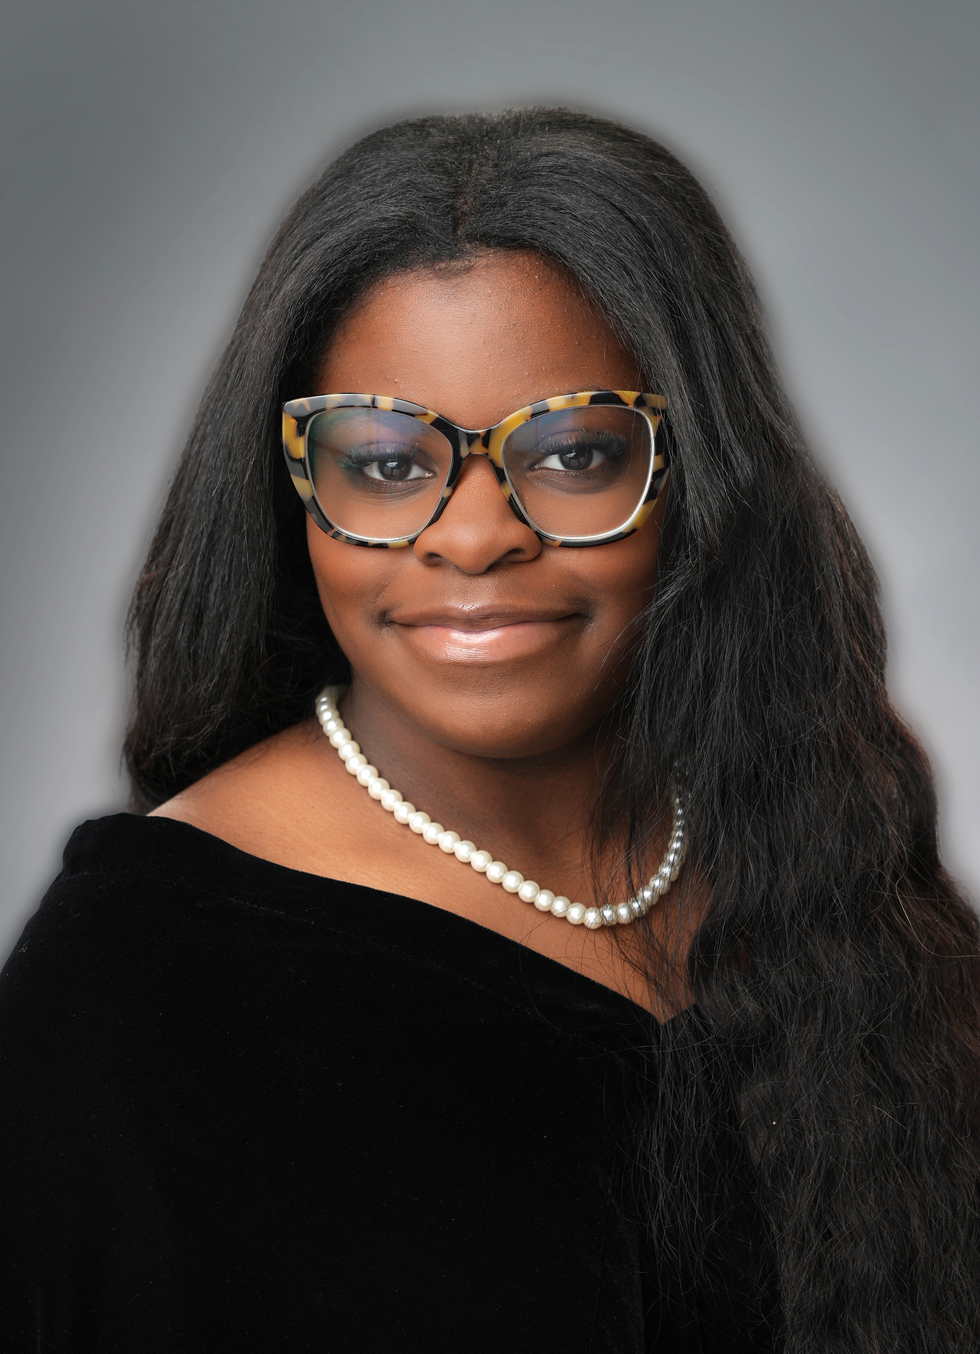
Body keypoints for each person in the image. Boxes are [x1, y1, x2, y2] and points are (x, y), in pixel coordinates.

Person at [0, 108, 977, 1353]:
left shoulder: (829, 895)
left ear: (695, 478)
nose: (473, 537)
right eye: (385, 462)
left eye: (572, 453)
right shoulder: (135, 976)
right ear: (290, 492)